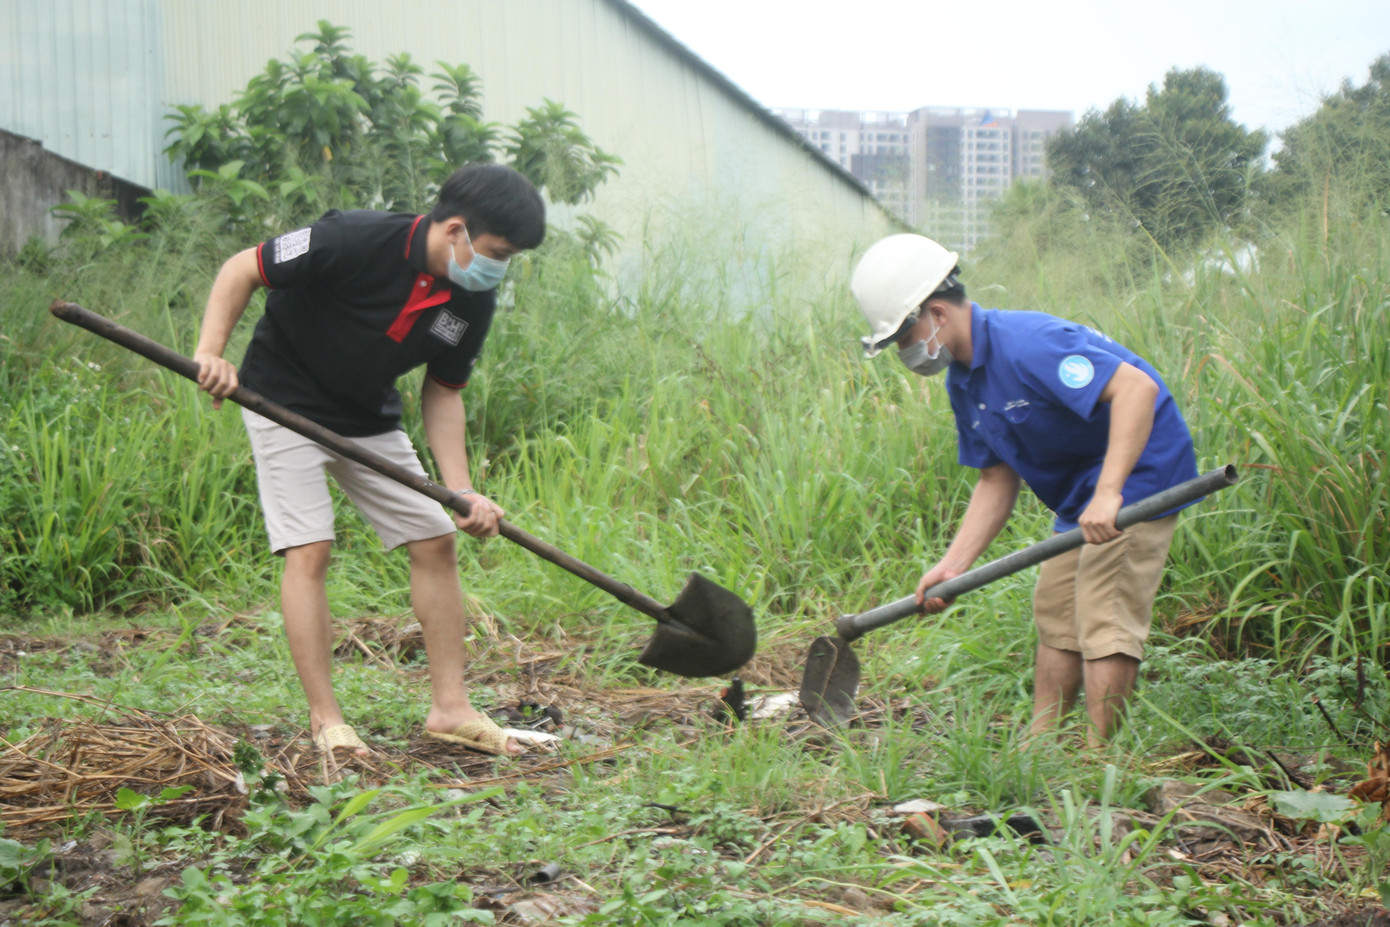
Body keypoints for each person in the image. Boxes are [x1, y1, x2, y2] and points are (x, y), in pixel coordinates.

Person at [193, 164, 546, 759]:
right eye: (497, 252)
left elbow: (444, 391)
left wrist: (460, 491)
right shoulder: (351, 238)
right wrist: (211, 353)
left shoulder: (471, 298)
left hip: (367, 416)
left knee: (435, 540)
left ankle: (451, 709)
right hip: (281, 400)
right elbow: (242, 268)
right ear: (455, 229)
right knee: (310, 548)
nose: (498, 267)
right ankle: (328, 721)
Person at [851, 234, 1199, 747]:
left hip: (1140, 471)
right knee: (1057, 607)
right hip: (1084, 488)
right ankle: (1041, 748)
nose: (905, 351)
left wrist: (1110, 494)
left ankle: (1099, 760)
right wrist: (953, 565)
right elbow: (995, 478)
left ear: (937, 315)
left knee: (1105, 606)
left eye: (904, 336)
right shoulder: (965, 381)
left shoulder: (1028, 343)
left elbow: (1136, 390)